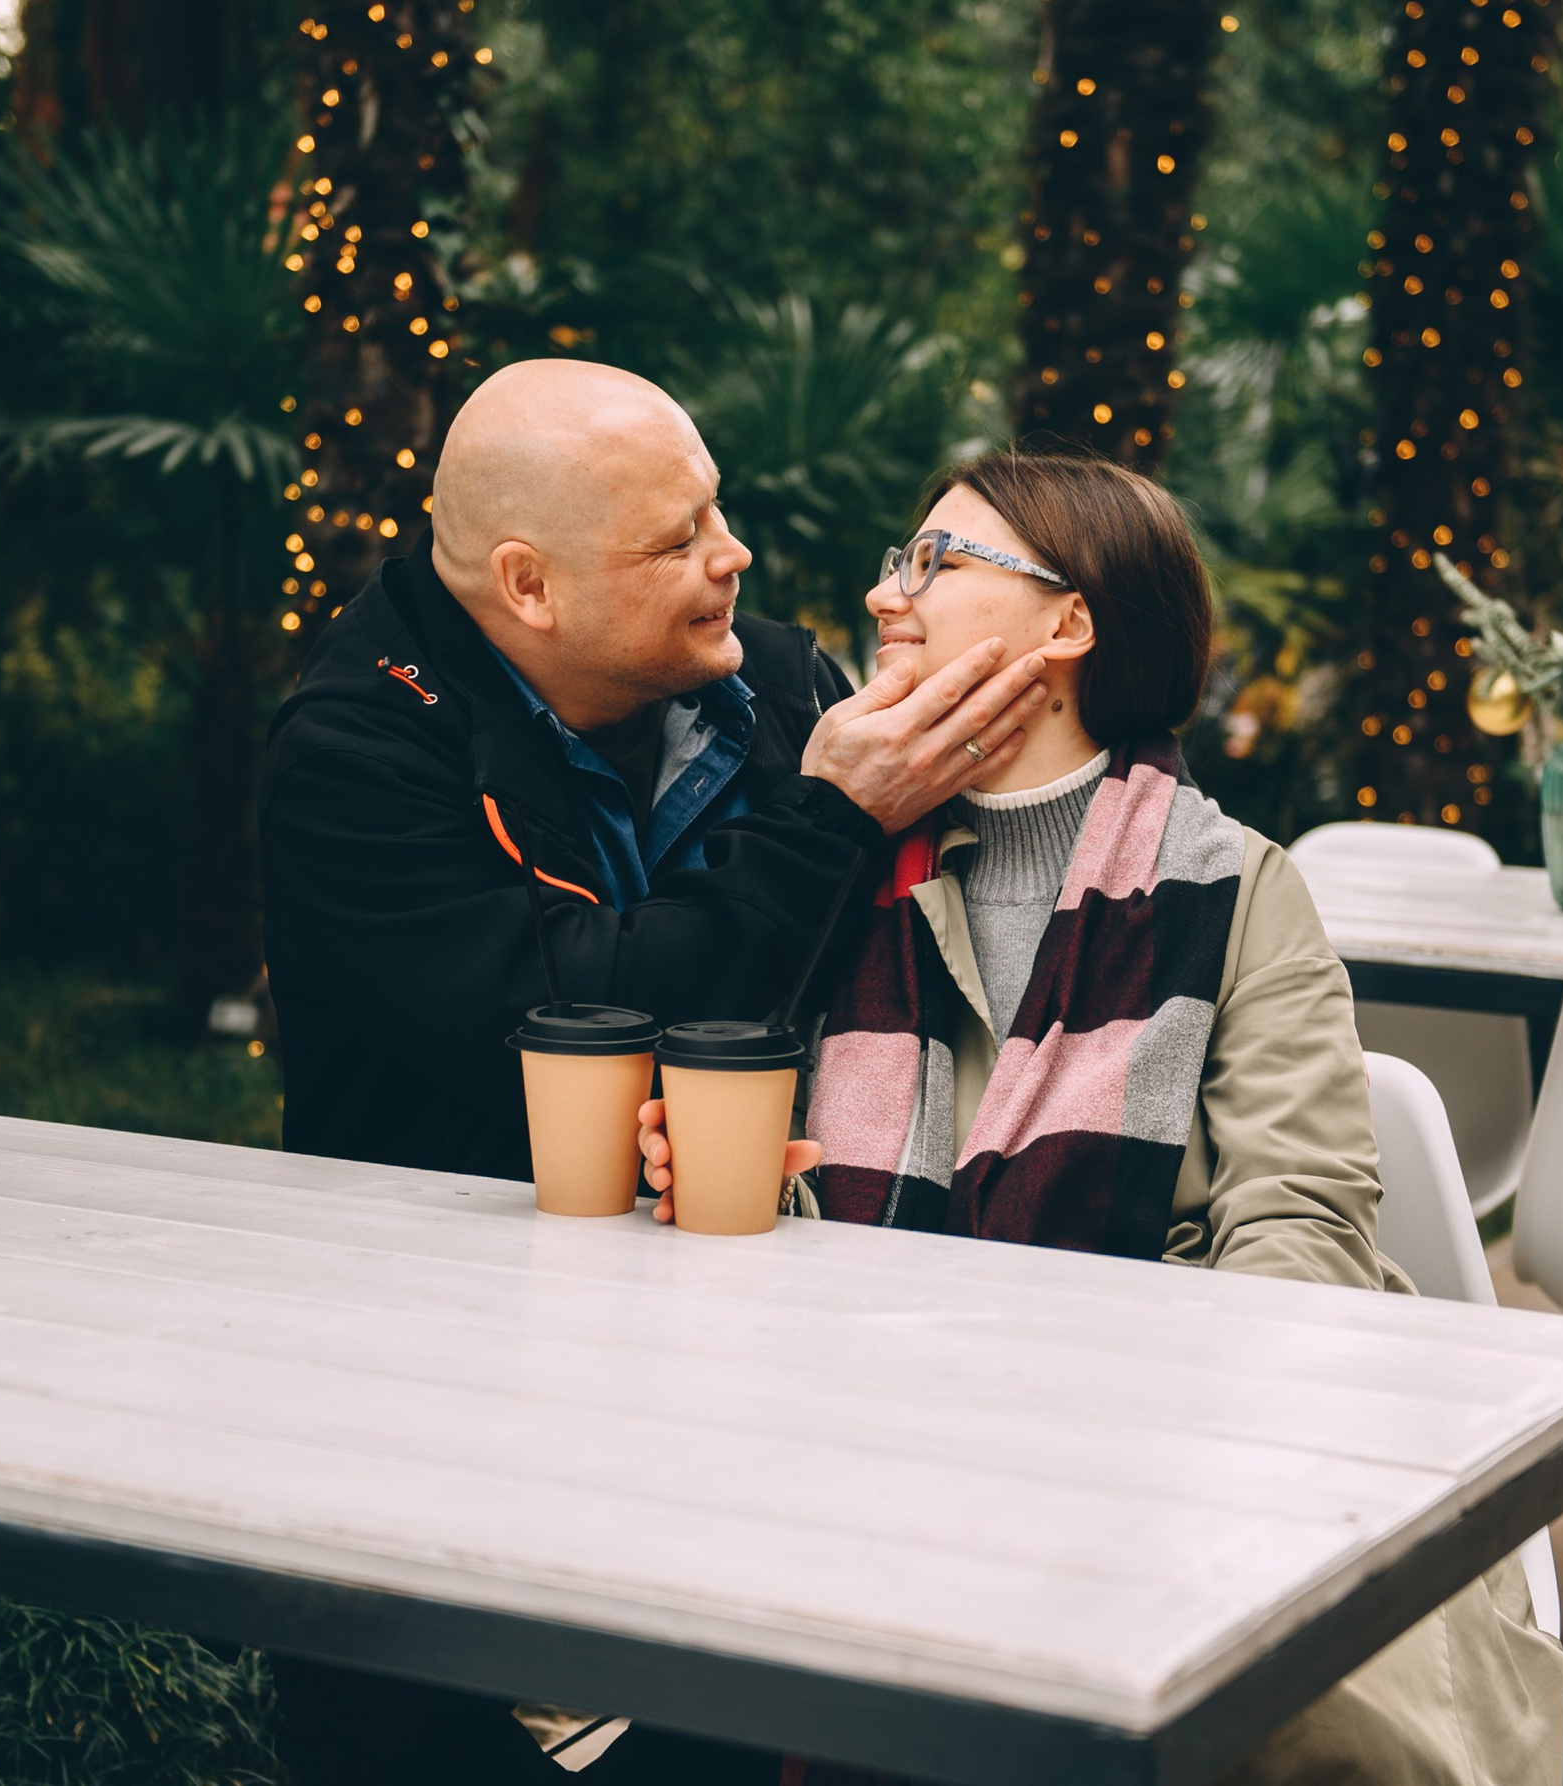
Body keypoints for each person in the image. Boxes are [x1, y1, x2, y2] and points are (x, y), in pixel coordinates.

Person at [637, 448, 1563, 1786]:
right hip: (861, 1464)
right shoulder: (831, 876)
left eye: (936, 563)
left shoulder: (1239, 888)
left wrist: (1106, 1440)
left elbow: (1300, 1231)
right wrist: (713, 1189)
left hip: (1183, 1478)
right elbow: (768, 1201)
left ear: (1068, 624)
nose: (886, 595)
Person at [258, 360, 1048, 1784]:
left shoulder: (790, 686)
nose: (733, 554)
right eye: (680, 538)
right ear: (531, 587)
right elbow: (574, 1021)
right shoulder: (354, 756)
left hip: (756, 1381)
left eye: (719, 511)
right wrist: (828, 818)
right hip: (437, 1398)